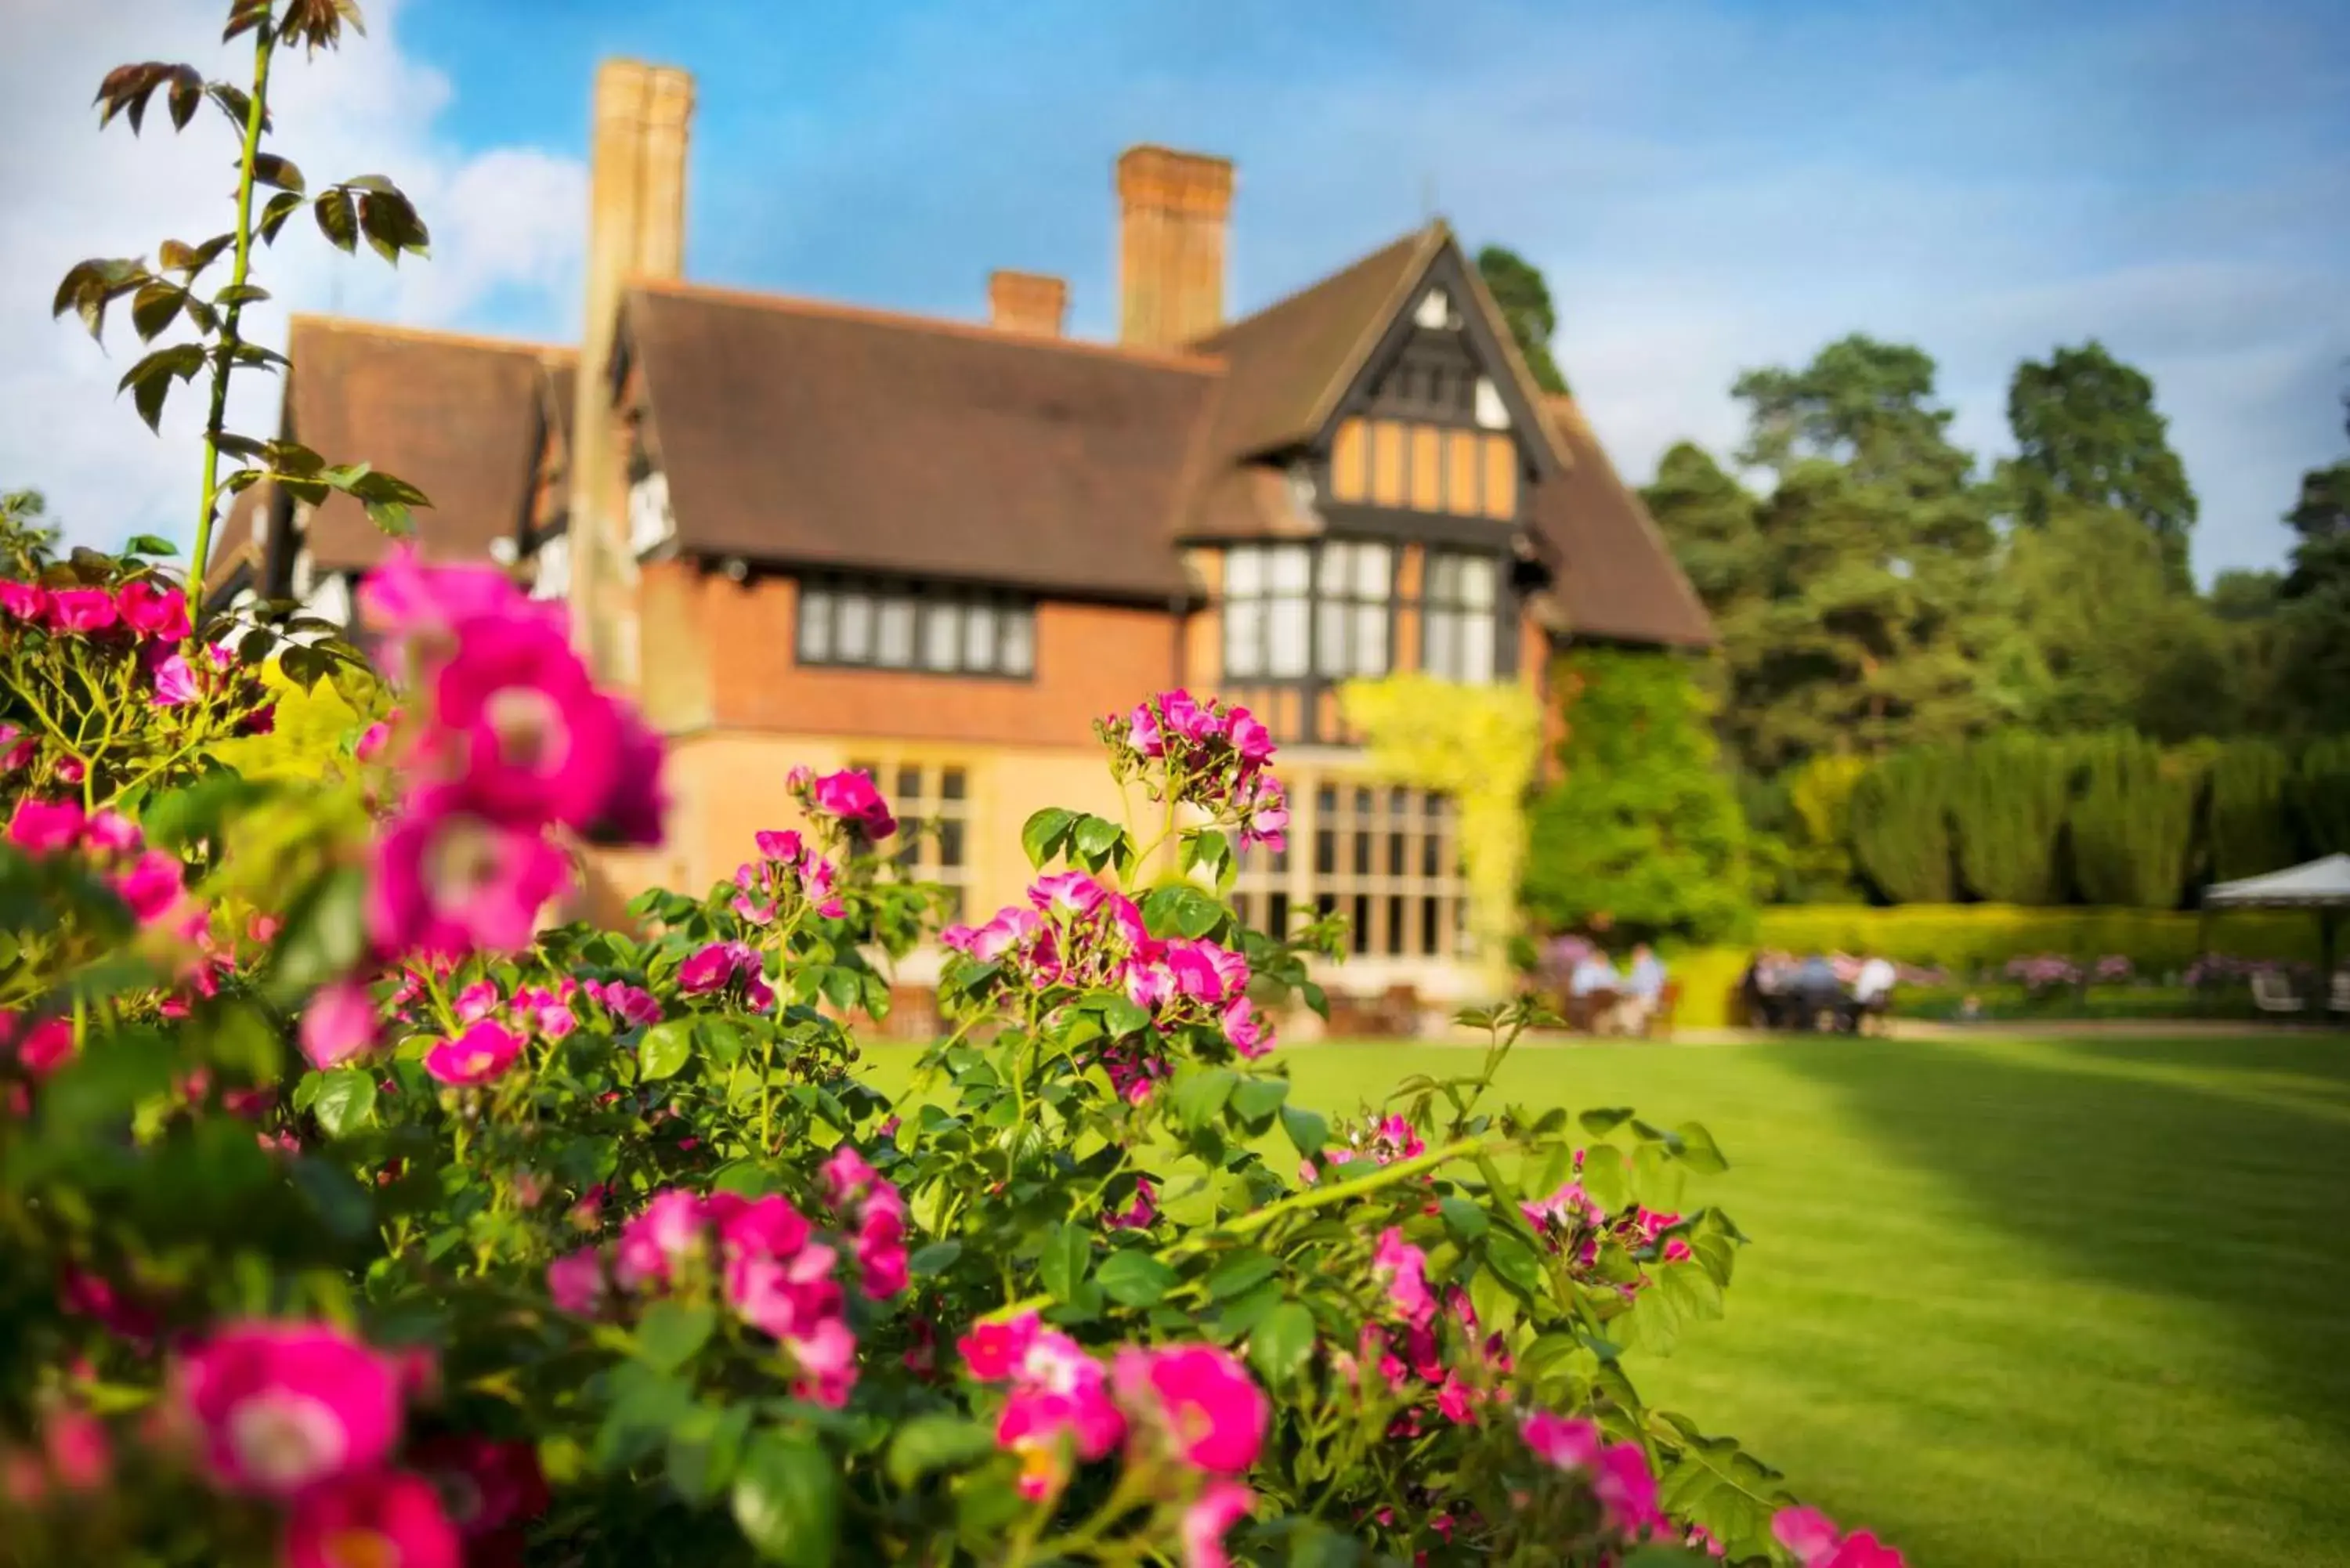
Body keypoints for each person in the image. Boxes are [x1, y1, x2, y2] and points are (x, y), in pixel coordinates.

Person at [1569, 948, 1623, 1033]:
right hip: (1587, 997)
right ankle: (1594, 1027)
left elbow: (1617, 982)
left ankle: (1611, 1026)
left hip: (1606, 997)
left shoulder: (1609, 969)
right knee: (1599, 997)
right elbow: (1581, 987)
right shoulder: (1585, 969)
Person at [1623, 943, 1667, 1035]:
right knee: (1629, 1003)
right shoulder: (1658, 965)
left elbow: (1636, 985)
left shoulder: (1643, 967)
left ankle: (1633, 1031)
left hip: (1649, 999)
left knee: (1626, 1006)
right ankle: (1634, 1030)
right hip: (1656, 999)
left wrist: (1622, 987)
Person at [1850, 954, 1897, 1034]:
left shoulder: (1869, 970)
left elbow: (1862, 992)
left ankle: (1852, 1029)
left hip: (1870, 1003)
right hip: (1883, 1003)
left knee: (1853, 1005)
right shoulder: (1887, 972)